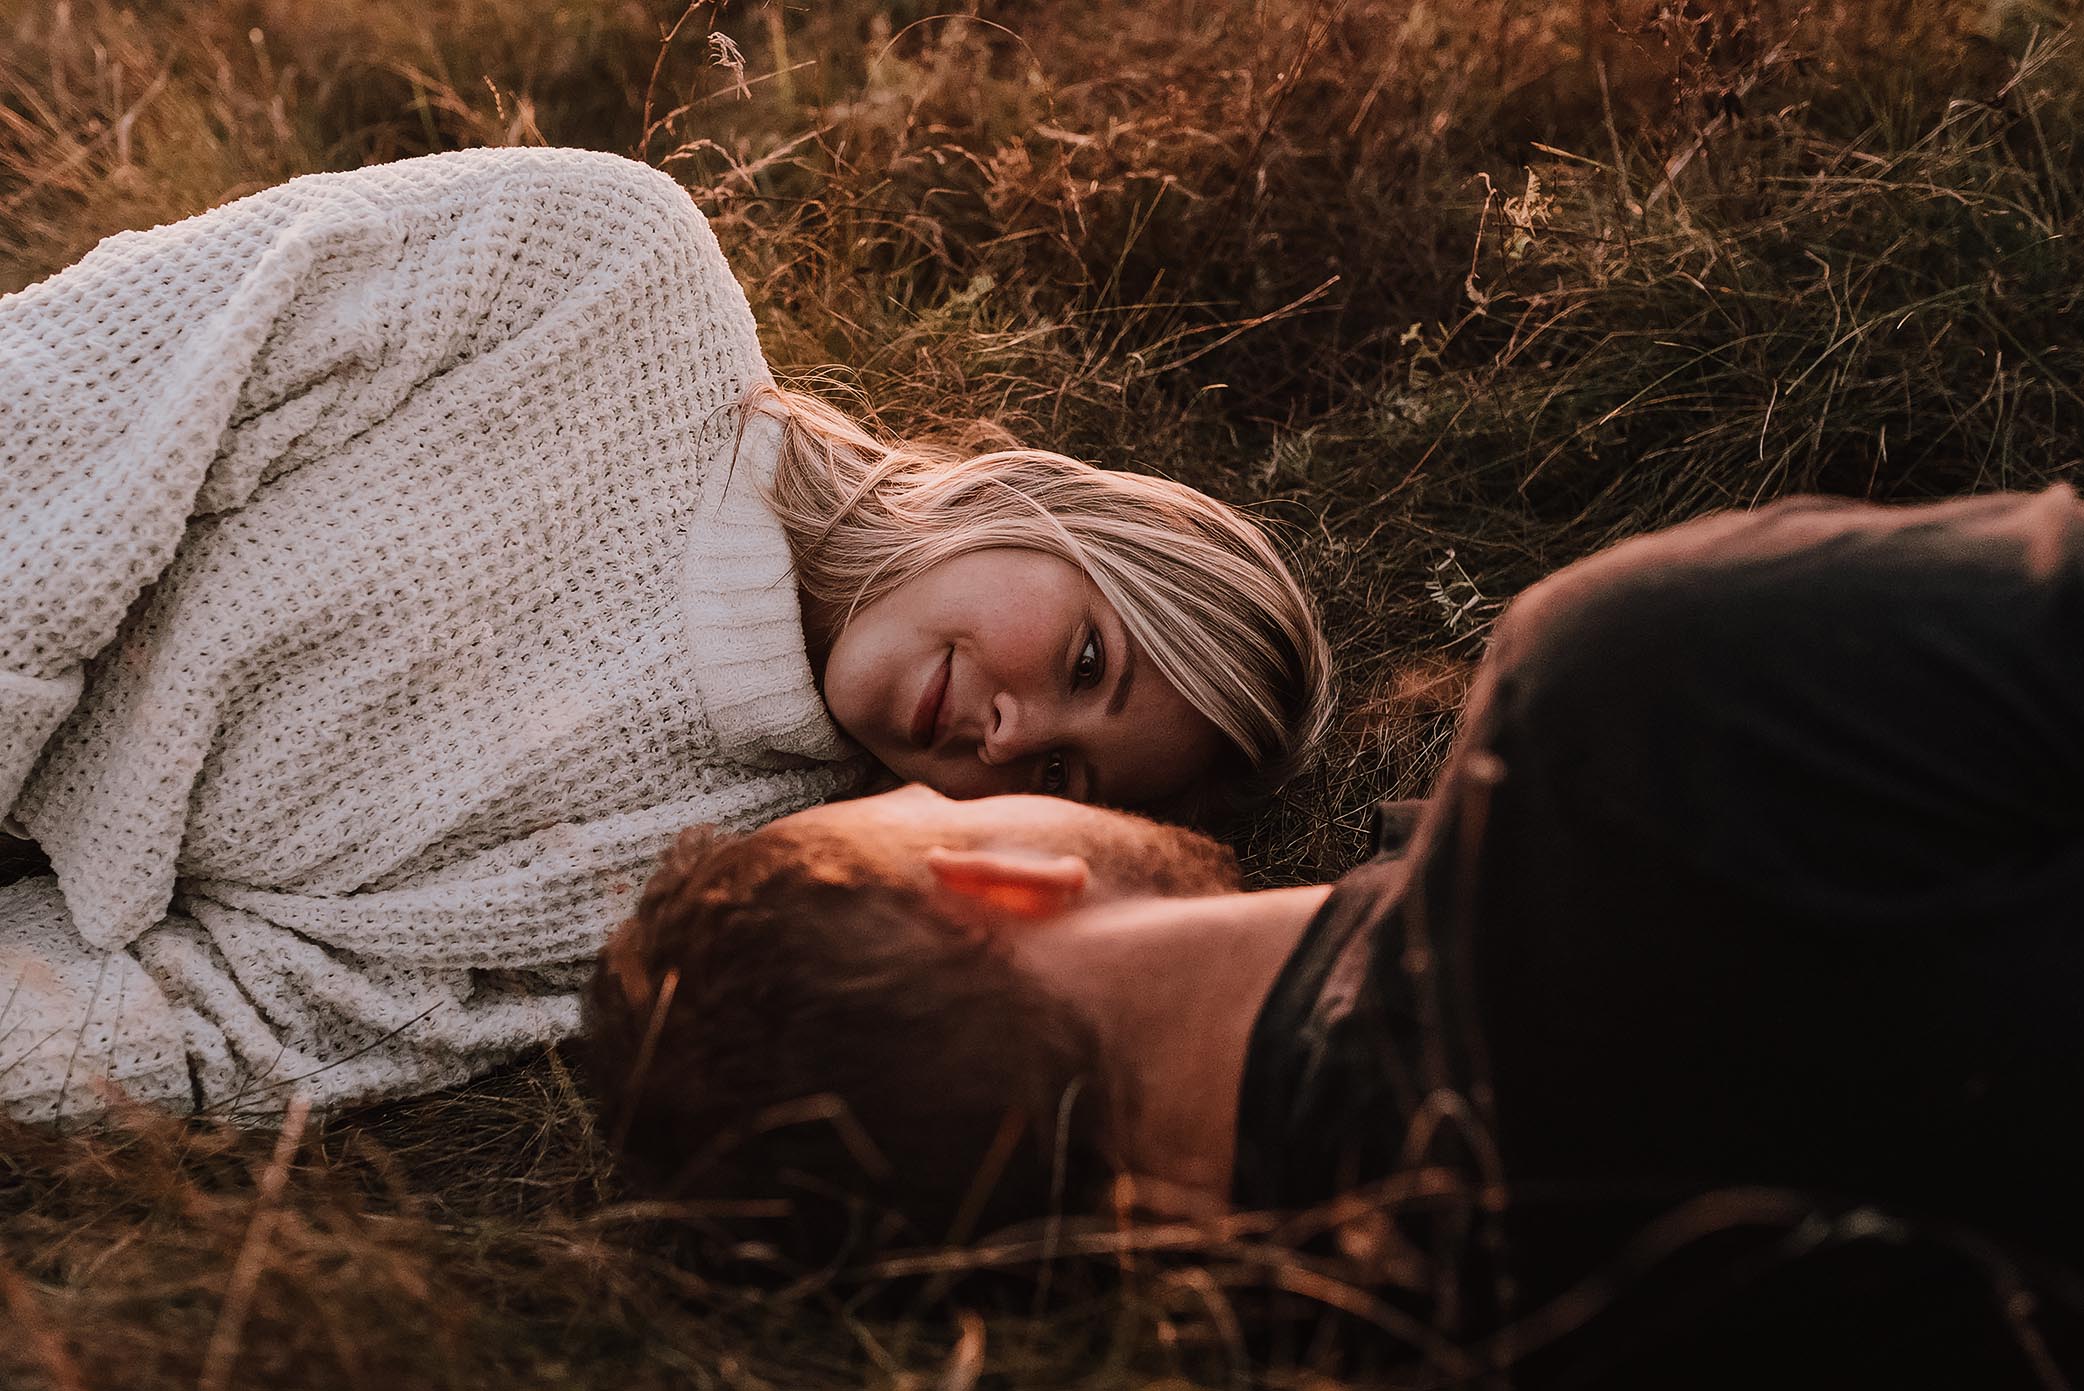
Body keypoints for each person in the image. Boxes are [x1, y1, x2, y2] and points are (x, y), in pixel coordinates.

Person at [588, 485, 2084, 1386]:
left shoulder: (1427, 1349)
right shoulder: (1634, 714)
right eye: (909, 807)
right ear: (989, 876)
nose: (972, 753)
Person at [0, 145, 1330, 1126]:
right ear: (1040, 509)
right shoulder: (601, 269)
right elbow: (70, 406)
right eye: (1088, 661)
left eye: (1061, 780)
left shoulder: (699, 881)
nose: (1014, 729)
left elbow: (248, 1023)